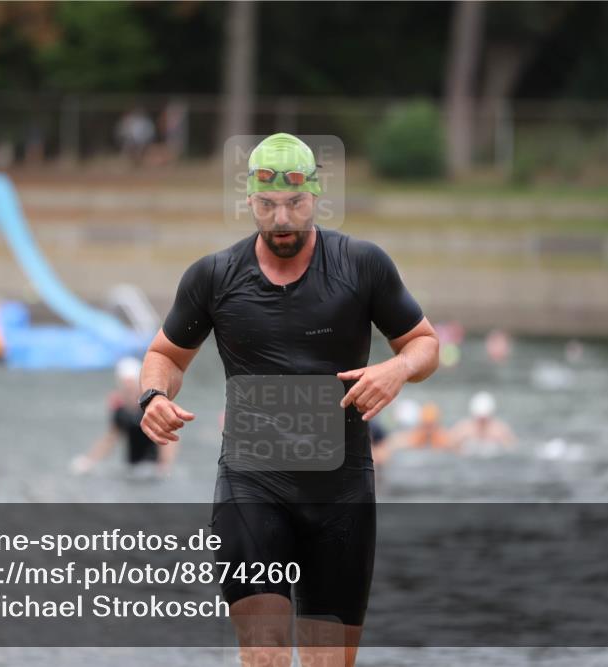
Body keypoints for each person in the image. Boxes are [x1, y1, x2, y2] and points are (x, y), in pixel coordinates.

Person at [136, 133, 439, 667]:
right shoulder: (215, 276)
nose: (281, 219)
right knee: (265, 654)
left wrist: (397, 368)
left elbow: (425, 344)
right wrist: (153, 395)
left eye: (295, 203)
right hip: (251, 486)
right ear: (249, 200)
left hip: (341, 493)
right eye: (267, 204)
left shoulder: (361, 265)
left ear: (315, 196)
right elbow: (166, 355)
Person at [70, 357, 176, 478]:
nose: (128, 387)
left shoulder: (151, 405)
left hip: (153, 467)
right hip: (132, 468)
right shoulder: (120, 410)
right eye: (125, 383)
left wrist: (165, 464)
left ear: (139, 383)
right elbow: (111, 438)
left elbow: (169, 437)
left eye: (130, 383)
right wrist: (89, 461)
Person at [449, 391, 517, 450]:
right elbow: (449, 445)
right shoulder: (463, 429)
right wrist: (459, 443)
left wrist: (503, 441)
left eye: (485, 420)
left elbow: (513, 447)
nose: (482, 423)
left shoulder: (500, 430)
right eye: (479, 419)